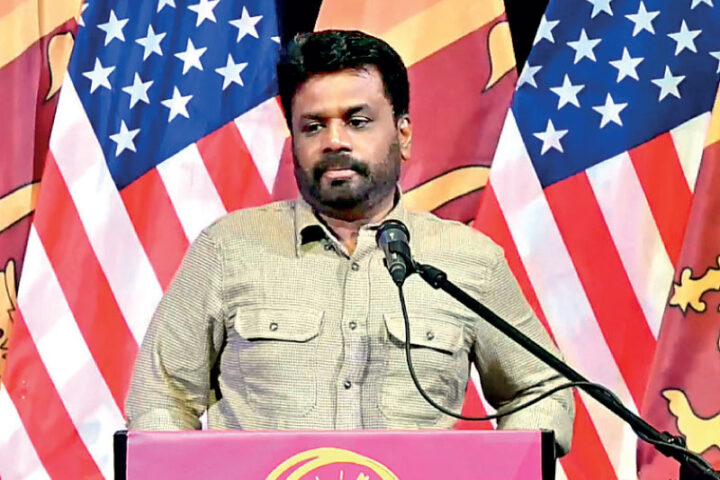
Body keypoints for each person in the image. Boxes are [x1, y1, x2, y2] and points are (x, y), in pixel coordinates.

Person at [126, 29, 575, 455]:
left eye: (358, 121)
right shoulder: (228, 249)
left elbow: (543, 389)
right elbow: (160, 396)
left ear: (402, 134)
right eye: (313, 126)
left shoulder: (468, 260)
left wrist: (499, 469)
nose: (334, 141)